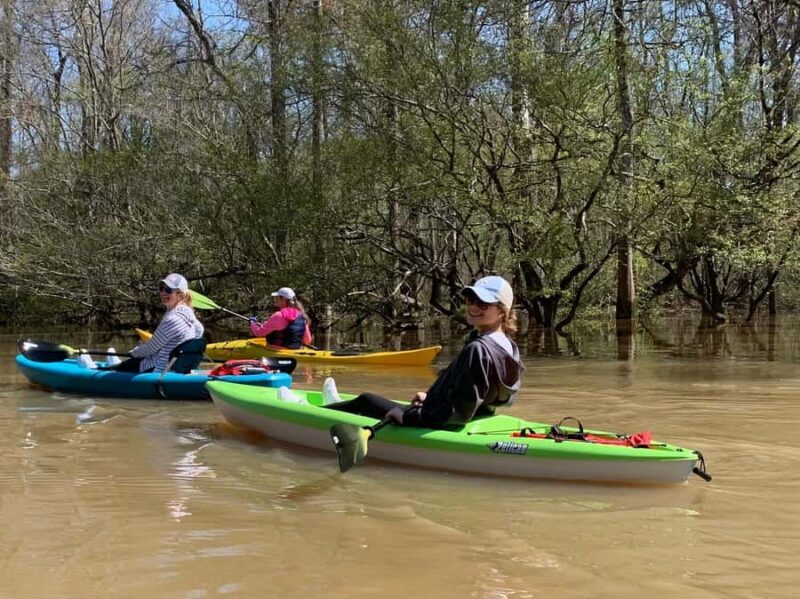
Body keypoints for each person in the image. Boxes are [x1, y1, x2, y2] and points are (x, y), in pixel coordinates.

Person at [320, 276, 523, 428]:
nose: (473, 307)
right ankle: (336, 406)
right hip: (475, 418)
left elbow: (459, 411)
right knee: (369, 401)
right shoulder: (508, 348)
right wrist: (431, 396)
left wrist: (409, 417)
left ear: (502, 311)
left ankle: (315, 413)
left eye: (483, 303)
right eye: (471, 300)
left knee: (366, 401)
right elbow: (477, 394)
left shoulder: (478, 349)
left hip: (442, 421)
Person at [111, 273, 205, 373]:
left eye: (168, 290)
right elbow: (200, 330)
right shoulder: (188, 313)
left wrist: (133, 353)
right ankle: (116, 364)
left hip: (159, 369)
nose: (163, 293)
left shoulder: (173, 319)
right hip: (176, 367)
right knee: (128, 364)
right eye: (161, 288)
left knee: (118, 370)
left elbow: (151, 348)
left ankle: (112, 368)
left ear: (180, 295)